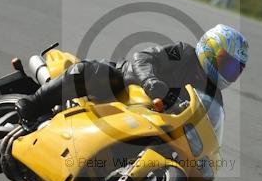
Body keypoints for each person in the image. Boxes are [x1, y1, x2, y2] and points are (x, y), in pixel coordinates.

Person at [16, 24, 249, 122]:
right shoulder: (183, 53)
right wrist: (150, 80)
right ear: (210, 49)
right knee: (89, 71)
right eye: (227, 64)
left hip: (152, 120)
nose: (229, 73)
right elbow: (144, 57)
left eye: (234, 70)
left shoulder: (213, 97)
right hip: (125, 87)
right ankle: (33, 103)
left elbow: (207, 128)